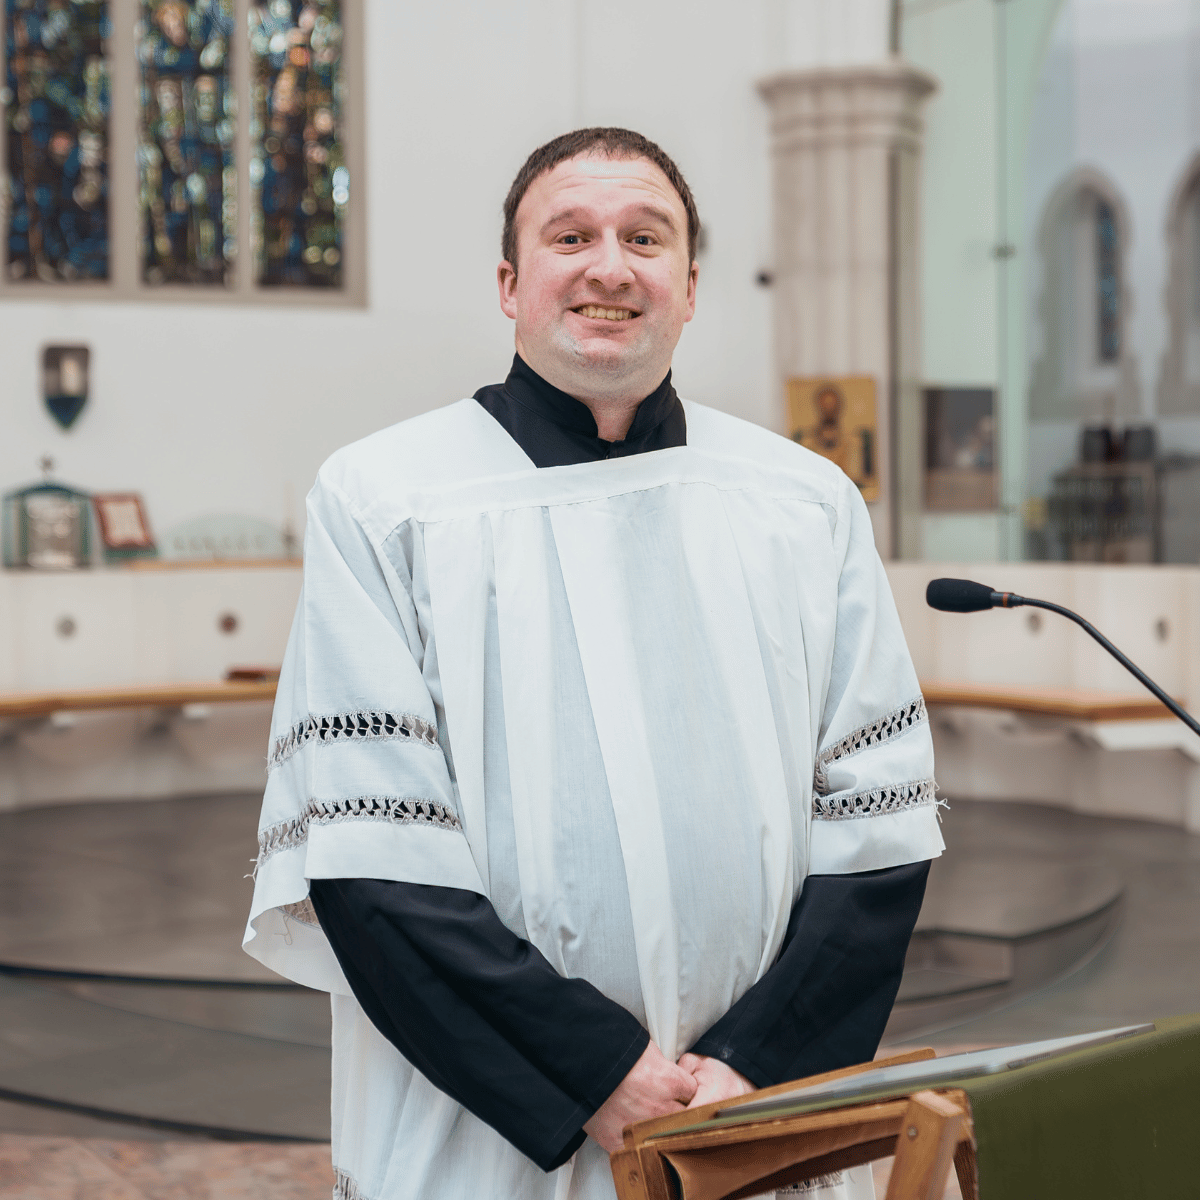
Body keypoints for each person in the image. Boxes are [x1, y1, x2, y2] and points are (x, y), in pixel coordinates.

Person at [244, 127, 942, 1200]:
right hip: (493, 1130)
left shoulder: (801, 504)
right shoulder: (387, 503)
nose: (610, 266)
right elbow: (372, 860)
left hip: (748, 1113)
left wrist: (754, 1068)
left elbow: (878, 834)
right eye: (571, 235)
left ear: (691, 286)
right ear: (511, 283)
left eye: (644, 238)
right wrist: (596, 1077)